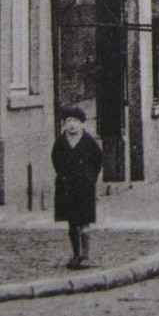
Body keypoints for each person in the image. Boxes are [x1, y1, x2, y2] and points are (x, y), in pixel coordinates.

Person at [52, 107, 103, 269]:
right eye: (68, 121)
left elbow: (97, 161)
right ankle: (76, 254)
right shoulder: (61, 142)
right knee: (72, 222)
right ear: (64, 124)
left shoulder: (88, 141)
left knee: (85, 220)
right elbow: (56, 160)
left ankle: (85, 255)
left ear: (81, 124)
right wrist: (64, 176)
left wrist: (90, 178)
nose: (72, 125)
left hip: (84, 187)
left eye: (75, 121)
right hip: (67, 187)